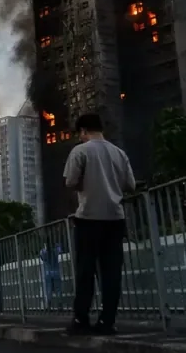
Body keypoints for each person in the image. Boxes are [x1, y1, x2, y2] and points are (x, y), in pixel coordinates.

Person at [63, 113, 136, 335]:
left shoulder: (80, 151)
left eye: (80, 133)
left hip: (88, 218)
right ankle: (107, 321)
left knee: (86, 270)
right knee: (111, 272)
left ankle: (81, 319)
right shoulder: (119, 153)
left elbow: (71, 181)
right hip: (115, 218)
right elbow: (130, 185)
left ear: (83, 131)